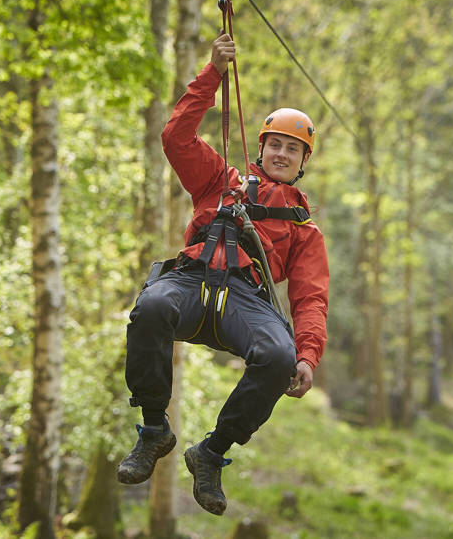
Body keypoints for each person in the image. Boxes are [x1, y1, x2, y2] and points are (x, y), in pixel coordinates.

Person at [117, 33, 329, 516]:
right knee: (150, 307)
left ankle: (211, 453)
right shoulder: (221, 180)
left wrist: (309, 356)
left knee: (278, 357)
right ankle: (154, 432)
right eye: (274, 144)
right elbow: (176, 137)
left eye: (291, 150)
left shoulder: (305, 232)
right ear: (261, 148)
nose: (280, 154)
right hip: (191, 282)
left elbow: (311, 298)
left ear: (302, 163)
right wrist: (212, 72)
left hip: (246, 301)